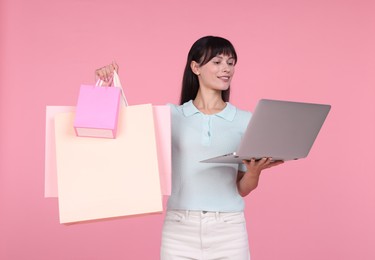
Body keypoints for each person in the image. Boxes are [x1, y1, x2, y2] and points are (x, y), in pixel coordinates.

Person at [96, 36, 284, 260]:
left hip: (229, 230)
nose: (226, 69)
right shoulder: (171, 115)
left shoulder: (245, 120)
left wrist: (254, 171)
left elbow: (242, 188)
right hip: (179, 230)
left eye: (231, 63)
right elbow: (129, 132)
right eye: (217, 62)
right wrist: (107, 89)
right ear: (196, 67)